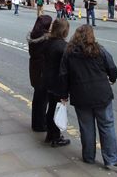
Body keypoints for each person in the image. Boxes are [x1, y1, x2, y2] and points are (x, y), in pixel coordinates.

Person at [59, 24, 117, 170]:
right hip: (101, 94)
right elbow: (112, 68)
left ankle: (88, 157)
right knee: (107, 126)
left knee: (86, 127)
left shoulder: (68, 52)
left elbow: (63, 75)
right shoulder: (99, 50)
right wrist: (112, 79)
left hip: (81, 95)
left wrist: (64, 94)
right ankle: (112, 159)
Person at [42, 19, 71, 147]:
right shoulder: (63, 46)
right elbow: (66, 68)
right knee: (57, 110)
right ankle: (56, 137)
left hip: (47, 79)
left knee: (51, 108)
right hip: (58, 82)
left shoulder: (47, 42)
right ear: (64, 31)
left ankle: (50, 135)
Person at [27, 15, 53, 132]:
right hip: (43, 71)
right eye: (50, 23)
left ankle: (35, 123)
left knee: (37, 98)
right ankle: (40, 125)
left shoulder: (33, 36)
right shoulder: (46, 40)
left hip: (34, 69)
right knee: (42, 100)